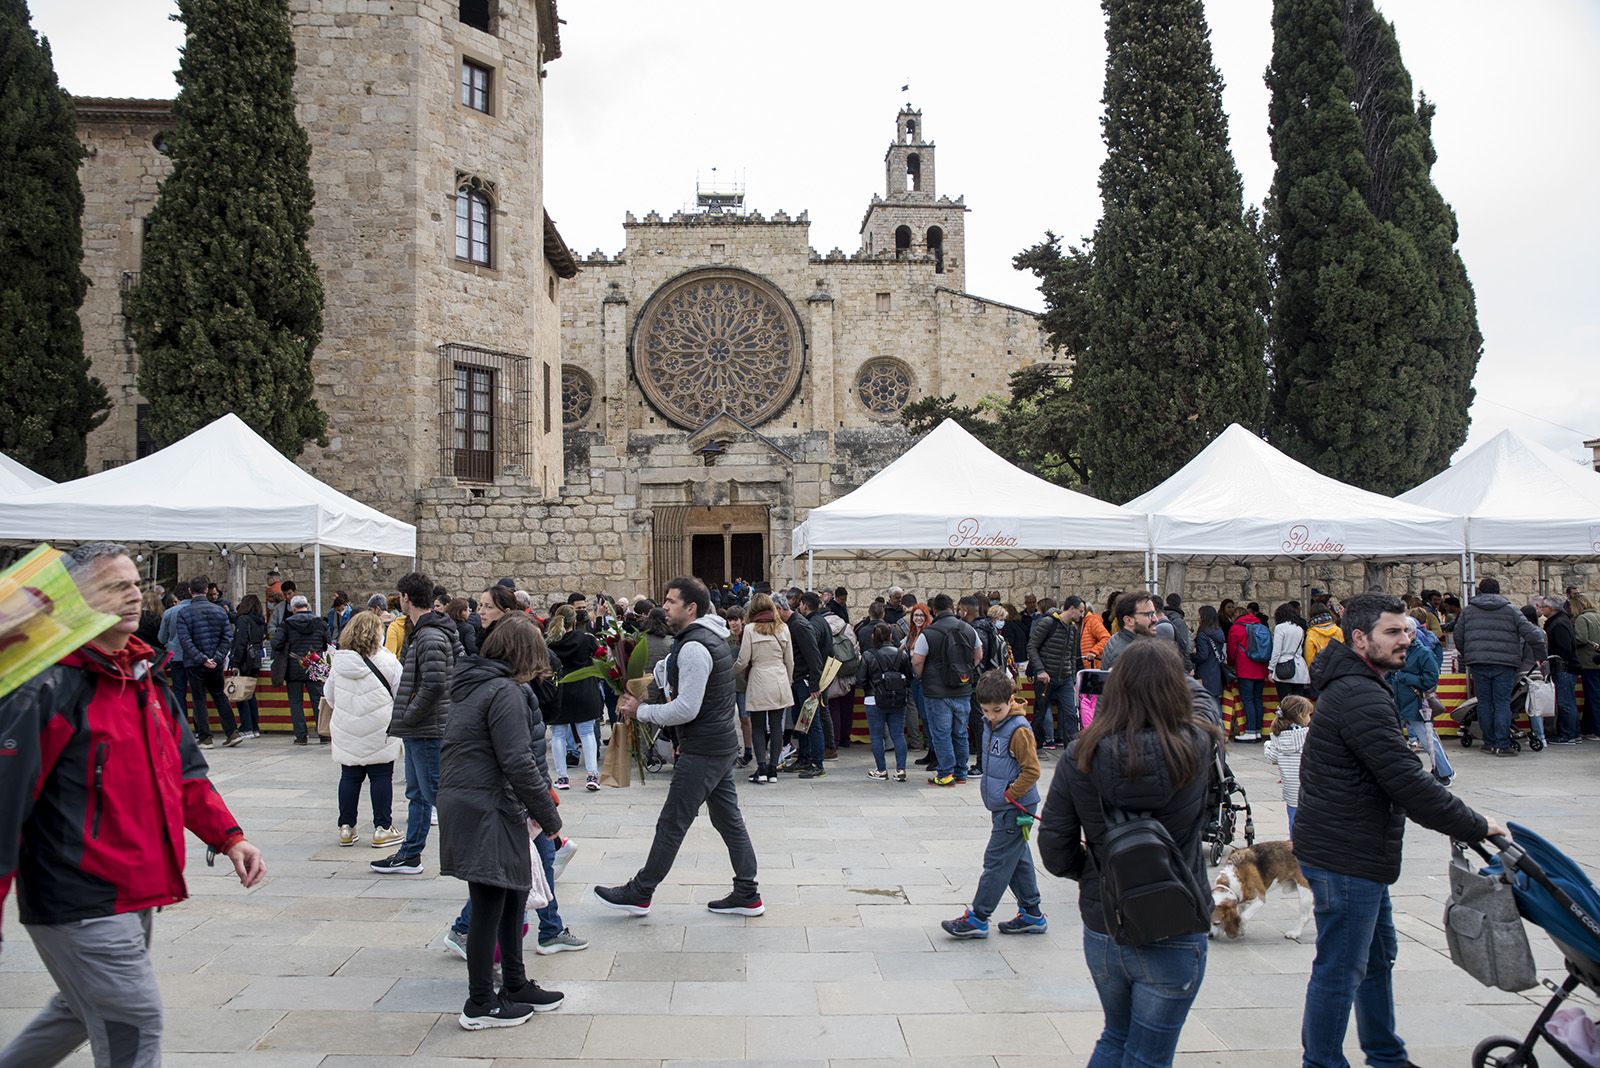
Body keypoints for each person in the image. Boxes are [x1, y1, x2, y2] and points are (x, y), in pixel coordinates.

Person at [0, 542, 266, 1068]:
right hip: (78, 893)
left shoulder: (144, 676)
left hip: (133, 890)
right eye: (114, 586)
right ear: (74, 601)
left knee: (78, 1013)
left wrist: (229, 836)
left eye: (135, 585)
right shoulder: (48, 687)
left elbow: (186, 774)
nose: (134, 597)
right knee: (134, 1027)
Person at [1295, 593, 1509, 1068]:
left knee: (1374, 958)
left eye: (1407, 630)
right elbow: (1406, 779)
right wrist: (1475, 825)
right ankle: (1324, 1062)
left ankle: (1386, 1055)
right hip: (1346, 853)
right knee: (1341, 967)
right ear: (1359, 638)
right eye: (1393, 632)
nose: (1406, 641)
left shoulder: (1363, 683)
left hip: (1352, 847)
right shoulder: (1361, 694)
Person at [1037, 638, 1224, 1067]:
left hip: (1105, 918)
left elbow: (1054, 848)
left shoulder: (1079, 754)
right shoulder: (1196, 745)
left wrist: (1094, 871)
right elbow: (1206, 709)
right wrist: (1181, 677)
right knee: (1150, 1054)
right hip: (1176, 914)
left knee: (1116, 1035)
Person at [597, 577, 762, 917]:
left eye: (671, 602)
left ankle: (641, 891)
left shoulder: (695, 647)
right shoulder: (698, 640)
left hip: (703, 749)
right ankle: (747, 892)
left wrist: (639, 711)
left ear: (691, 608)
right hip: (716, 744)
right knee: (728, 820)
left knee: (672, 822)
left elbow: (687, 707)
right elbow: (668, 673)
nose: (664, 607)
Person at [437, 614, 566, 1029]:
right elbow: (517, 760)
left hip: (481, 801)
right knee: (490, 903)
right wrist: (549, 818)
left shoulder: (477, 686)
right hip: (484, 805)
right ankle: (479, 1003)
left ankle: (514, 983)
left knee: (513, 893)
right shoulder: (503, 692)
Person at [941, 670, 1046, 938]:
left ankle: (978, 917)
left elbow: (1032, 770)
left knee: (997, 861)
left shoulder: (1019, 730)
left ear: (1011, 700)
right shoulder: (992, 725)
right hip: (1002, 805)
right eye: (986, 711)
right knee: (1017, 858)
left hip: (1015, 807)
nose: (990, 716)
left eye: (996, 710)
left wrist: (1011, 794)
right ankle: (1032, 914)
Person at [373, 570, 462, 876]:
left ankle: (482, 854)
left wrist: (410, 714)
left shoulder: (430, 634)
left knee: (438, 795)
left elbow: (435, 684)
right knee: (419, 795)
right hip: (421, 729)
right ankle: (410, 854)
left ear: (406, 598)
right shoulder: (425, 631)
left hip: (426, 729)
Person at [324, 610, 404, 849]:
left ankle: (346, 827)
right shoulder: (388, 661)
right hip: (379, 725)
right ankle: (383, 828)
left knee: (349, 776)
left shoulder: (340, 662)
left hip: (347, 725)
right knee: (381, 776)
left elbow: (329, 696)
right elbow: (400, 693)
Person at [1453, 577, 1547, 756]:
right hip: (1505, 663)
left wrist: (1468, 653)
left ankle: (1489, 742)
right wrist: (1540, 656)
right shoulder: (1511, 610)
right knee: (1502, 703)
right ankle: (1502, 744)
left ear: (1480, 590)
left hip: (1478, 662)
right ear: (1498, 590)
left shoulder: (1468, 611)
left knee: (1484, 702)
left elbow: (1458, 635)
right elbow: (1533, 633)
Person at [913, 593, 982, 787]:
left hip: (936, 692)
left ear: (934, 611)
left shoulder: (928, 633)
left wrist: (921, 676)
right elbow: (979, 655)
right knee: (960, 732)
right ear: (953, 608)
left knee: (941, 733)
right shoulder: (969, 629)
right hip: (962, 688)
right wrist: (966, 672)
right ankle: (961, 772)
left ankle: (945, 773)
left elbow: (917, 661)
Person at [175, 575, 241, 749]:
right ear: (206, 590)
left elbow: (185, 640)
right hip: (216, 662)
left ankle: (205, 737)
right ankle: (232, 732)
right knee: (220, 695)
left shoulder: (184, 613)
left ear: (190, 591)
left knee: (198, 699)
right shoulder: (220, 611)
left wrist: (201, 658)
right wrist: (217, 657)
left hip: (194, 662)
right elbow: (227, 637)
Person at [734, 592, 793, 784]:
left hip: (759, 678)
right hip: (779, 678)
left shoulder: (750, 629)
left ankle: (761, 768)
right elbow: (789, 660)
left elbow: (743, 660)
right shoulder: (783, 628)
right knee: (777, 727)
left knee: (758, 726)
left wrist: (727, 673)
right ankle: (773, 769)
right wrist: (788, 681)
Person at [545, 604, 603, 791]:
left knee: (558, 734)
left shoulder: (550, 643)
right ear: (575, 621)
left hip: (560, 690)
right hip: (584, 688)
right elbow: (600, 656)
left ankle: (562, 778)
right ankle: (592, 774)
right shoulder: (586, 639)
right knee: (587, 733)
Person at [1390, 615, 1448, 783]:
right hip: (1398, 701)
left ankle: (1444, 772)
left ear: (1413, 633)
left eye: (1404, 631)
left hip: (1416, 702)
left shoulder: (1423, 653)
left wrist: (1404, 677)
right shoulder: (1396, 652)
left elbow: (1431, 680)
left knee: (1428, 739)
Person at [1028, 596, 1083, 751]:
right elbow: (1032, 646)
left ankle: (1072, 751)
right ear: (1071, 608)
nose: (1081, 615)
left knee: (1071, 714)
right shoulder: (1048, 623)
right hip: (1046, 678)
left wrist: (1071, 677)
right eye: (1080, 611)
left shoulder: (1073, 629)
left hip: (1064, 679)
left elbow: (1072, 655)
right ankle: (1034, 748)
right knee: (1040, 714)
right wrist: (1040, 670)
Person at [274, 594, 329, 746]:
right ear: (307, 605)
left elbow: (275, 644)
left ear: (293, 608)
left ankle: (301, 736)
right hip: (315, 665)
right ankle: (323, 733)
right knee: (318, 700)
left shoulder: (287, 624)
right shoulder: (320, 622)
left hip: (294, 667)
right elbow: (327, 644)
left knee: (296, 702)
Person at [860, 623, 914, 780]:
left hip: (873, 698)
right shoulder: (901, 654)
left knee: (876, 736)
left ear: (873, 637)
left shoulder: (868, 655)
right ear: (891, 636)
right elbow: (909, 677)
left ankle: (881, 770)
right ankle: (901, 770)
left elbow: (860, 679)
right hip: (897, 697)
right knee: (898, 734)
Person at [780, 596, 823, 774]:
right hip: (797, 681)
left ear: (780, 609)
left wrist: (814, 686)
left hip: (806, 682)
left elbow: (814, 657)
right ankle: (803, 759)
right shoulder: (792, 624)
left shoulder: (799, 625)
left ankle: (817, 764)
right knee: (801, 723)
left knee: (812, 723)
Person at [1264, 695, 1312, 834]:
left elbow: (1271, 757)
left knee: (1294, 822)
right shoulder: (1308, 736)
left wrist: (1267, 744)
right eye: (1308, 714)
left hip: (1291, 792)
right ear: (1301, 716)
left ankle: (1294, 848)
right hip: (1309, 790)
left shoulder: (1278, 737)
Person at [1538, 595, 1582, 744]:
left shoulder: (1559, 624)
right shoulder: (1560, 621)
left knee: (1565, 702)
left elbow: (1565, 648)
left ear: (1551, 608)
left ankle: (1568, 734)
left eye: (1543, 606)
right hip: (1565, 667)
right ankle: (1573, 733)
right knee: (1568, 701)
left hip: (1564, 668)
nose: (1541, 609)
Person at [1226, 601, 1270, 741]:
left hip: (1245, 669)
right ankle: (1258, 730)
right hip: (1261, 667)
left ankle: (1250, 731)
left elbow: (1231, 652)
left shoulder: (1236, 629)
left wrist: (1231, 664)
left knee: (1248, 700)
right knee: (1258, 699)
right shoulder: (1260, 626)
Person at [229, 594, 268, 739]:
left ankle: (246, 726)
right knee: (250, 693)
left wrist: (235, 662)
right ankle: (254, 726)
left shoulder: (243, 620)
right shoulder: (260, 621)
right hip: (255, 658)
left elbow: (240, 642)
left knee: (241, 694)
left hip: (245, 659)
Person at [1099, 590, 1160, 670]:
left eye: (1154, 613)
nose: (1155, 619)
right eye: (1149, 614)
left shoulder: (1125, 642)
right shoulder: (1127, 656)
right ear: (1128, 620)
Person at [1270, 602, 1311, 698]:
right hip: (1299, 667)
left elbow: (1277, 651)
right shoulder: (1299, 628)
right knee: (1298, 702)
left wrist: (1271, 668)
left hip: (1284, 666)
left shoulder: (1279, 628)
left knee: (1285, 702)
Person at [1573, 594, 1600, 739]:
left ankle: (1596, 729)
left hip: (1588, 662)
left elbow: (1581, 638)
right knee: (1593, 697)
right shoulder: (1598, 616)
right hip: (1597, 660)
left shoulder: (1582, 619)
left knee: (1593, 696)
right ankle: (1587, 728)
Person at [1193, 604, 1227, 701]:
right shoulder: (1219, 632)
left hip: (1205, 673)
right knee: (1215, 702)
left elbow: (1203, 656)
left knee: (1206, 703)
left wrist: (1192, 656)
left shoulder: (1202, 635)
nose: (1197, 617)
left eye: (1199, 615)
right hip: (1216, 672)